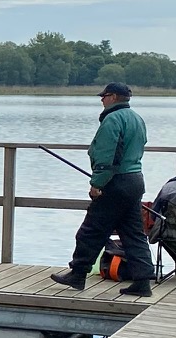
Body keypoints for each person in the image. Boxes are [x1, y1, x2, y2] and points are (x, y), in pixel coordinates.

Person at [52, 80, 154, 297]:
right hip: (135, 180)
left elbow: (108, 154)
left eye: (104, 96)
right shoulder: (137, 118)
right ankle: (143, 281)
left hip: (115, 182)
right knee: (133, 234)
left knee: (91, 230)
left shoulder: (113, 119)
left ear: (114, 97)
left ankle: (78, 274)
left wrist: (97, 183)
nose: (102, 99)